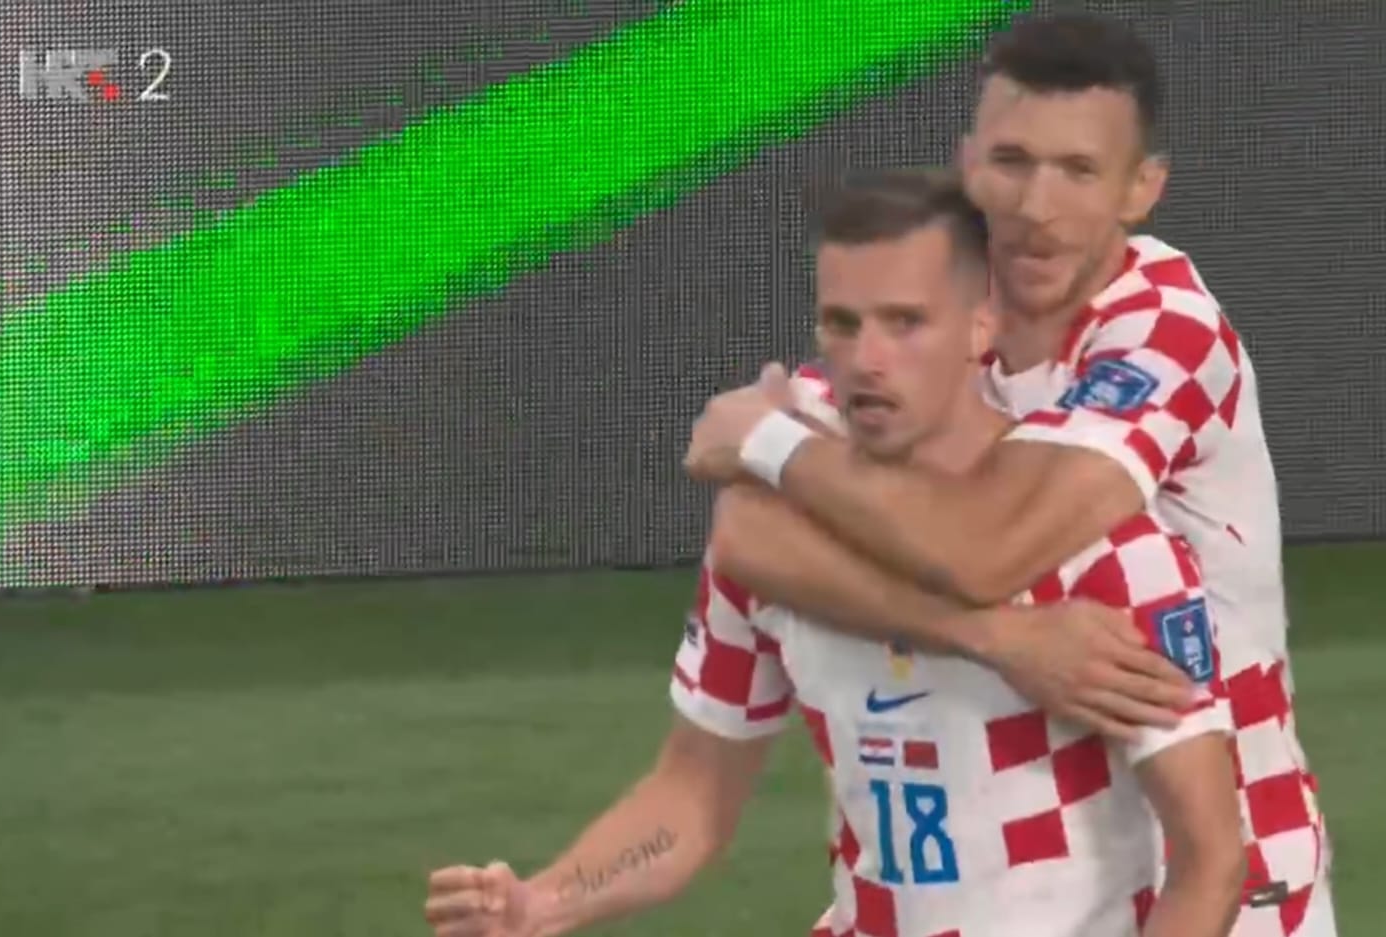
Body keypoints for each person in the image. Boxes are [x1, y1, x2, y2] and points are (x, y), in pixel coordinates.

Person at [426, 169, 1245, 937]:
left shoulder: (1107, 554)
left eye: (905, 322)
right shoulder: (781, 549)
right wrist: (543, 900)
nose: (867, 359)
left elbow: (1209, 860)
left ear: (983, 323)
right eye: (843, 324)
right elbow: (693, 797)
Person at [685, 13, 1334, 937]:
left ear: (1141, 188)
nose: (1036, 204)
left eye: (1078, 171)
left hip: (1220, 877)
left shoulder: (1166, 331)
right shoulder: (940, 317)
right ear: (968, 165)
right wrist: (994, 638)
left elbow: (985, 548)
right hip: (1013, 876)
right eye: (1012, 161)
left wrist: (773, 444)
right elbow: (753, 536)